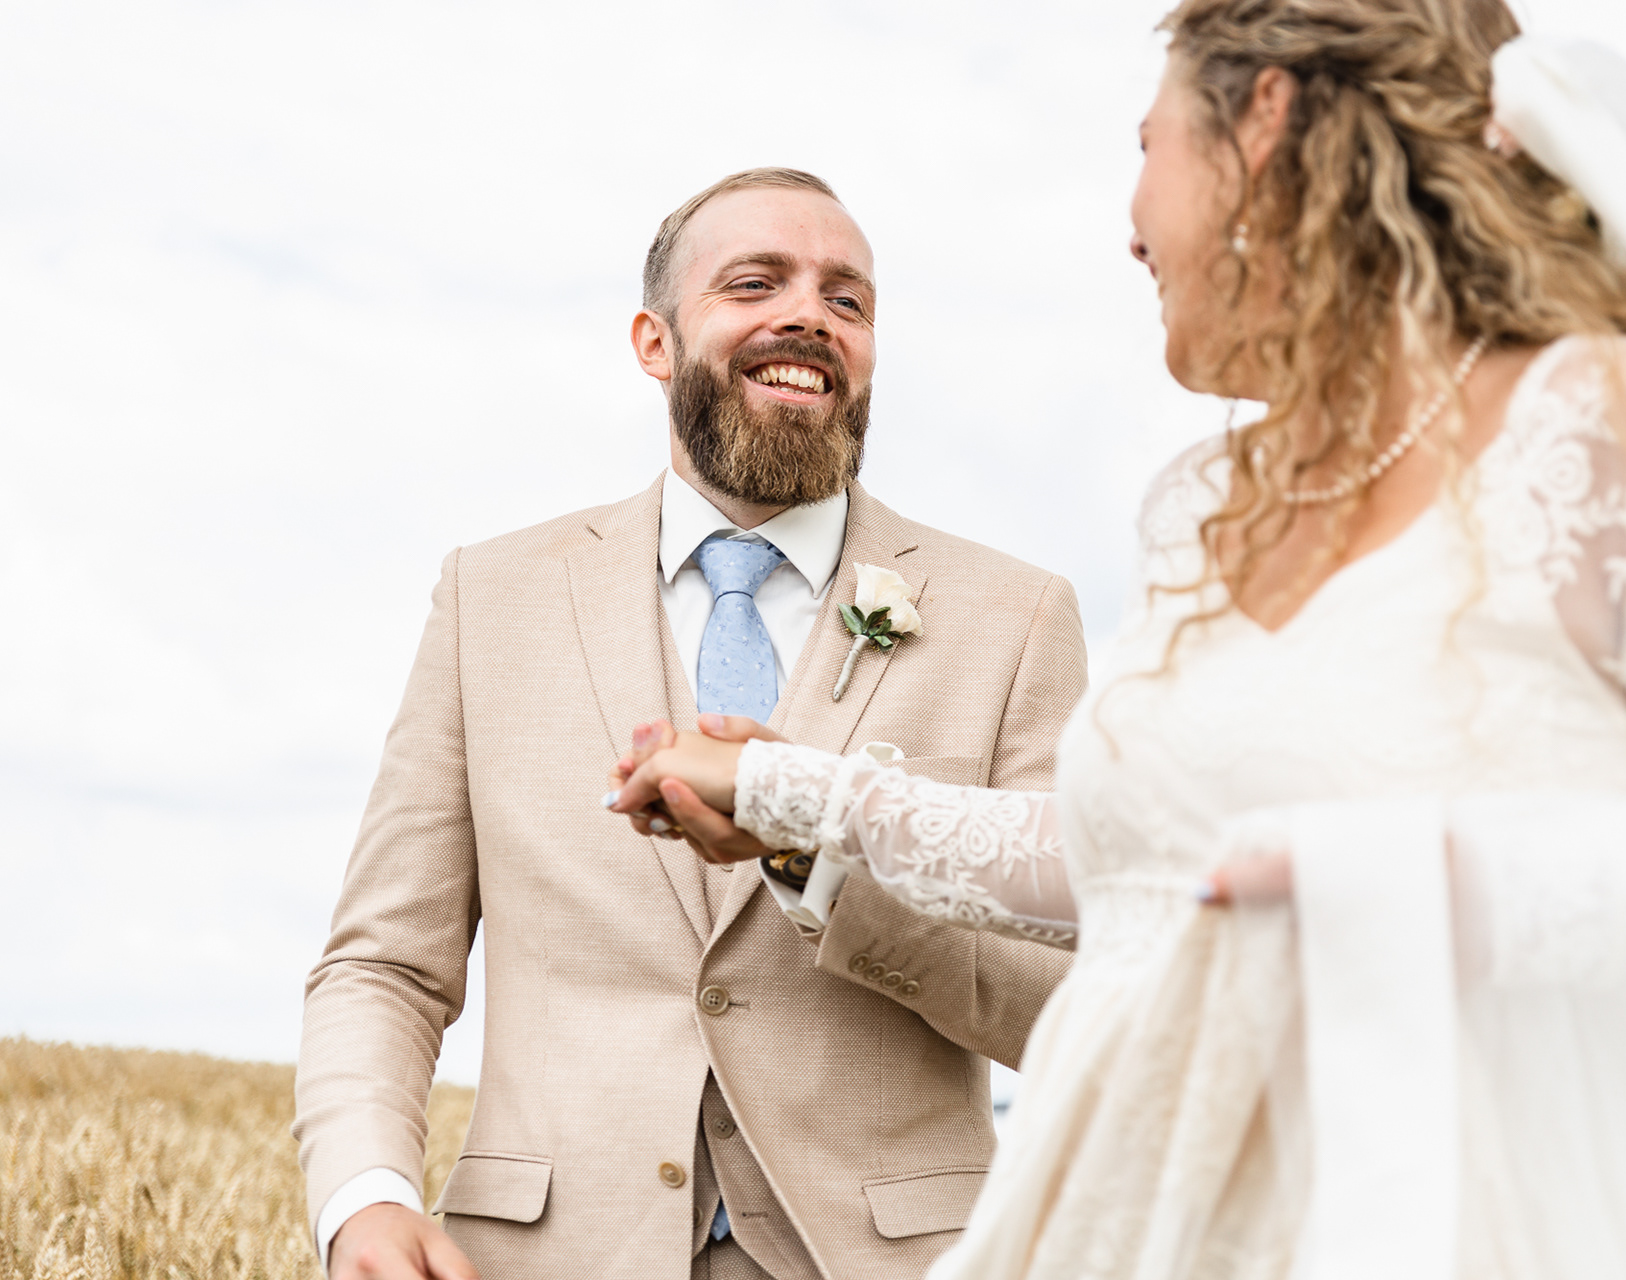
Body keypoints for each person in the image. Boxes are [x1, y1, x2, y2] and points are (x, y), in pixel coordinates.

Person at [609, 4, 1626, 1277]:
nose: (1130, 228)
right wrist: (786, 788)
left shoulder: (1617, 427)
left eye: (1148, 146)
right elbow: (1140, 857)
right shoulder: (1206, 501)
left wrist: (1449, 882)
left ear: (1266, 123)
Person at [294, 168, 1086, 1280]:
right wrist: (364, 1199)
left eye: (847, 299)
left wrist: (822, 860)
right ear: (654, 342)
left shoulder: (1017, 617)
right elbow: (385, 962)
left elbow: (1073, 1003)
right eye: (755, 283)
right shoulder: (491, 597)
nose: (809, 315)